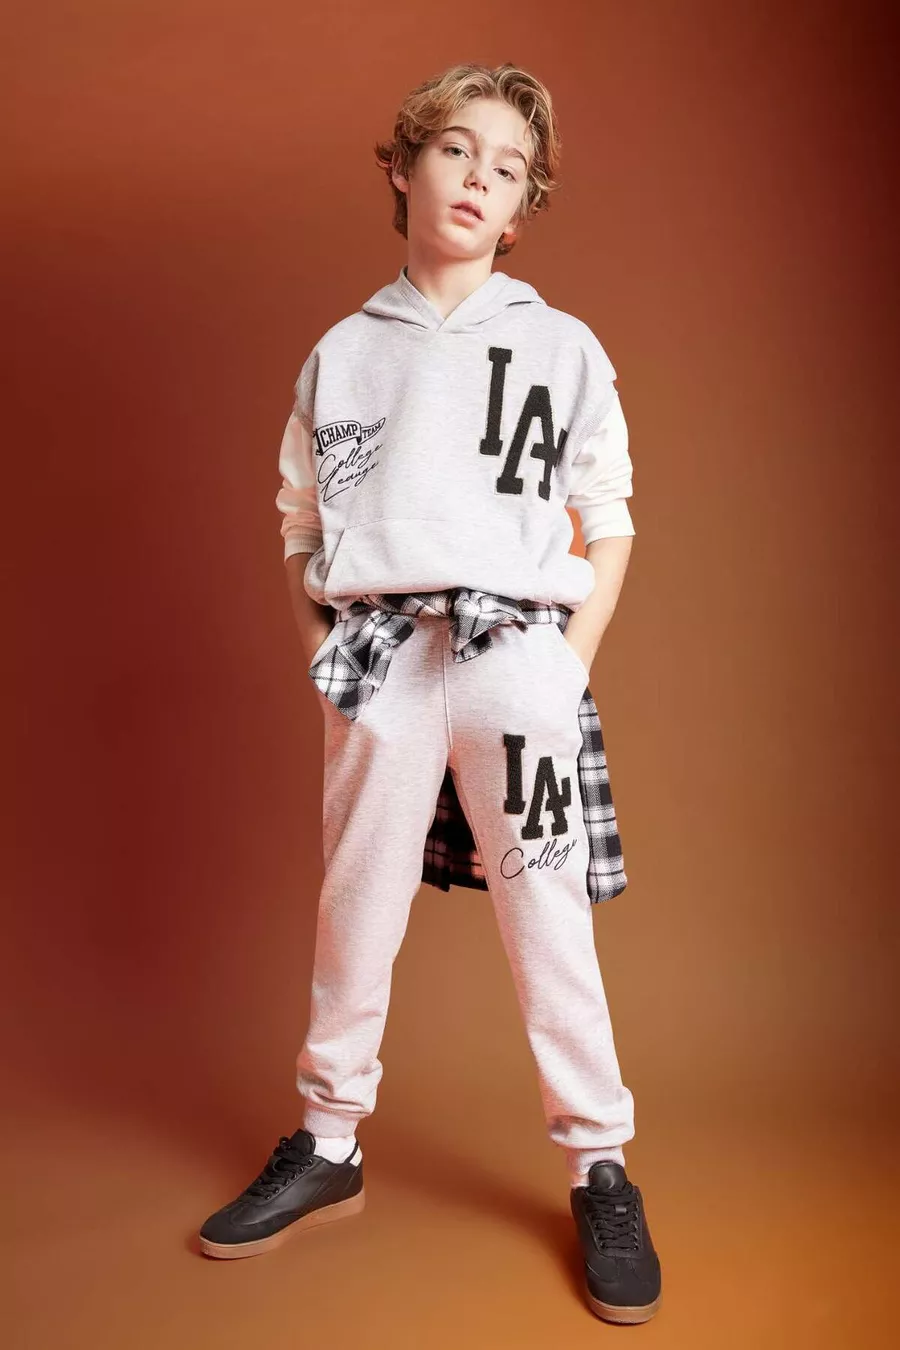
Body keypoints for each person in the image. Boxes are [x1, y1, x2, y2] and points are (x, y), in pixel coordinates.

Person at [198, 61, 662, 1325]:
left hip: (518, 658)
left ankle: (600, 1165)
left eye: (507, 169)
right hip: (381, 661)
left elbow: (610, 515)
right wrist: (322, 651)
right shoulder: (343, 354)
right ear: (404, 168)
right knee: (355, 906)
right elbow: (301, 520)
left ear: (521, 209)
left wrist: (568, 663)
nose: (478, 179)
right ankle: (328, 1142)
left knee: (547, 915)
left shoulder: (563, 346)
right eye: (457, 150)